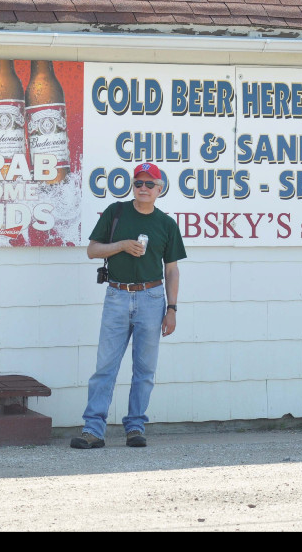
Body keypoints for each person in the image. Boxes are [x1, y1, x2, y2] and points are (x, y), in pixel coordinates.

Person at [71, 162, 186, 449]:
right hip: (117, 294)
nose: (143, 189)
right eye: (139, 183)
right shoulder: (116, 213)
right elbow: (92, 251)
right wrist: (121, 245)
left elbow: (171, 270)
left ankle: (135, 427)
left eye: (150, 184)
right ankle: (93, 430)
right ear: (132, 186)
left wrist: (172, 309)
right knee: (105, 367)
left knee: (145, 369)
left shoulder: (166, 224)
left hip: (152, 297)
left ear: (160, 189)